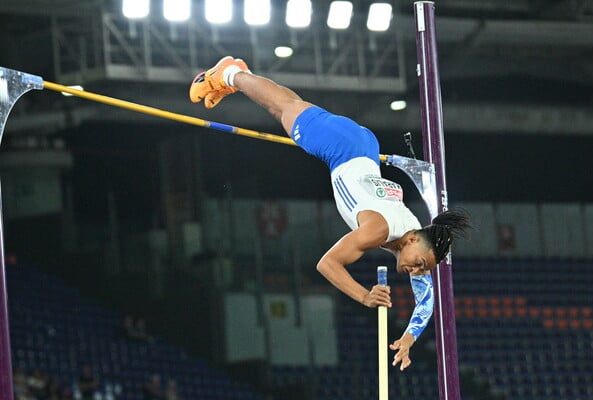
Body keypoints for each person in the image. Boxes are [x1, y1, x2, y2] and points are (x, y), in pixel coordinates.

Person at [189, 56, 471, 371]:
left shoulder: (412, 234)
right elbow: (327, 264)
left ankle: (238, 75)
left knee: (289, 105)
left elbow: (426, 300)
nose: (416, 270)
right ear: (414, 239)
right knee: (281, 107)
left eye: (421, 268)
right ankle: (229, 74)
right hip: (341, 149)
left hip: (362, 146)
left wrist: (408, 338)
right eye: (420, 263)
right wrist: (365, 298)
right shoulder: (379, 230)